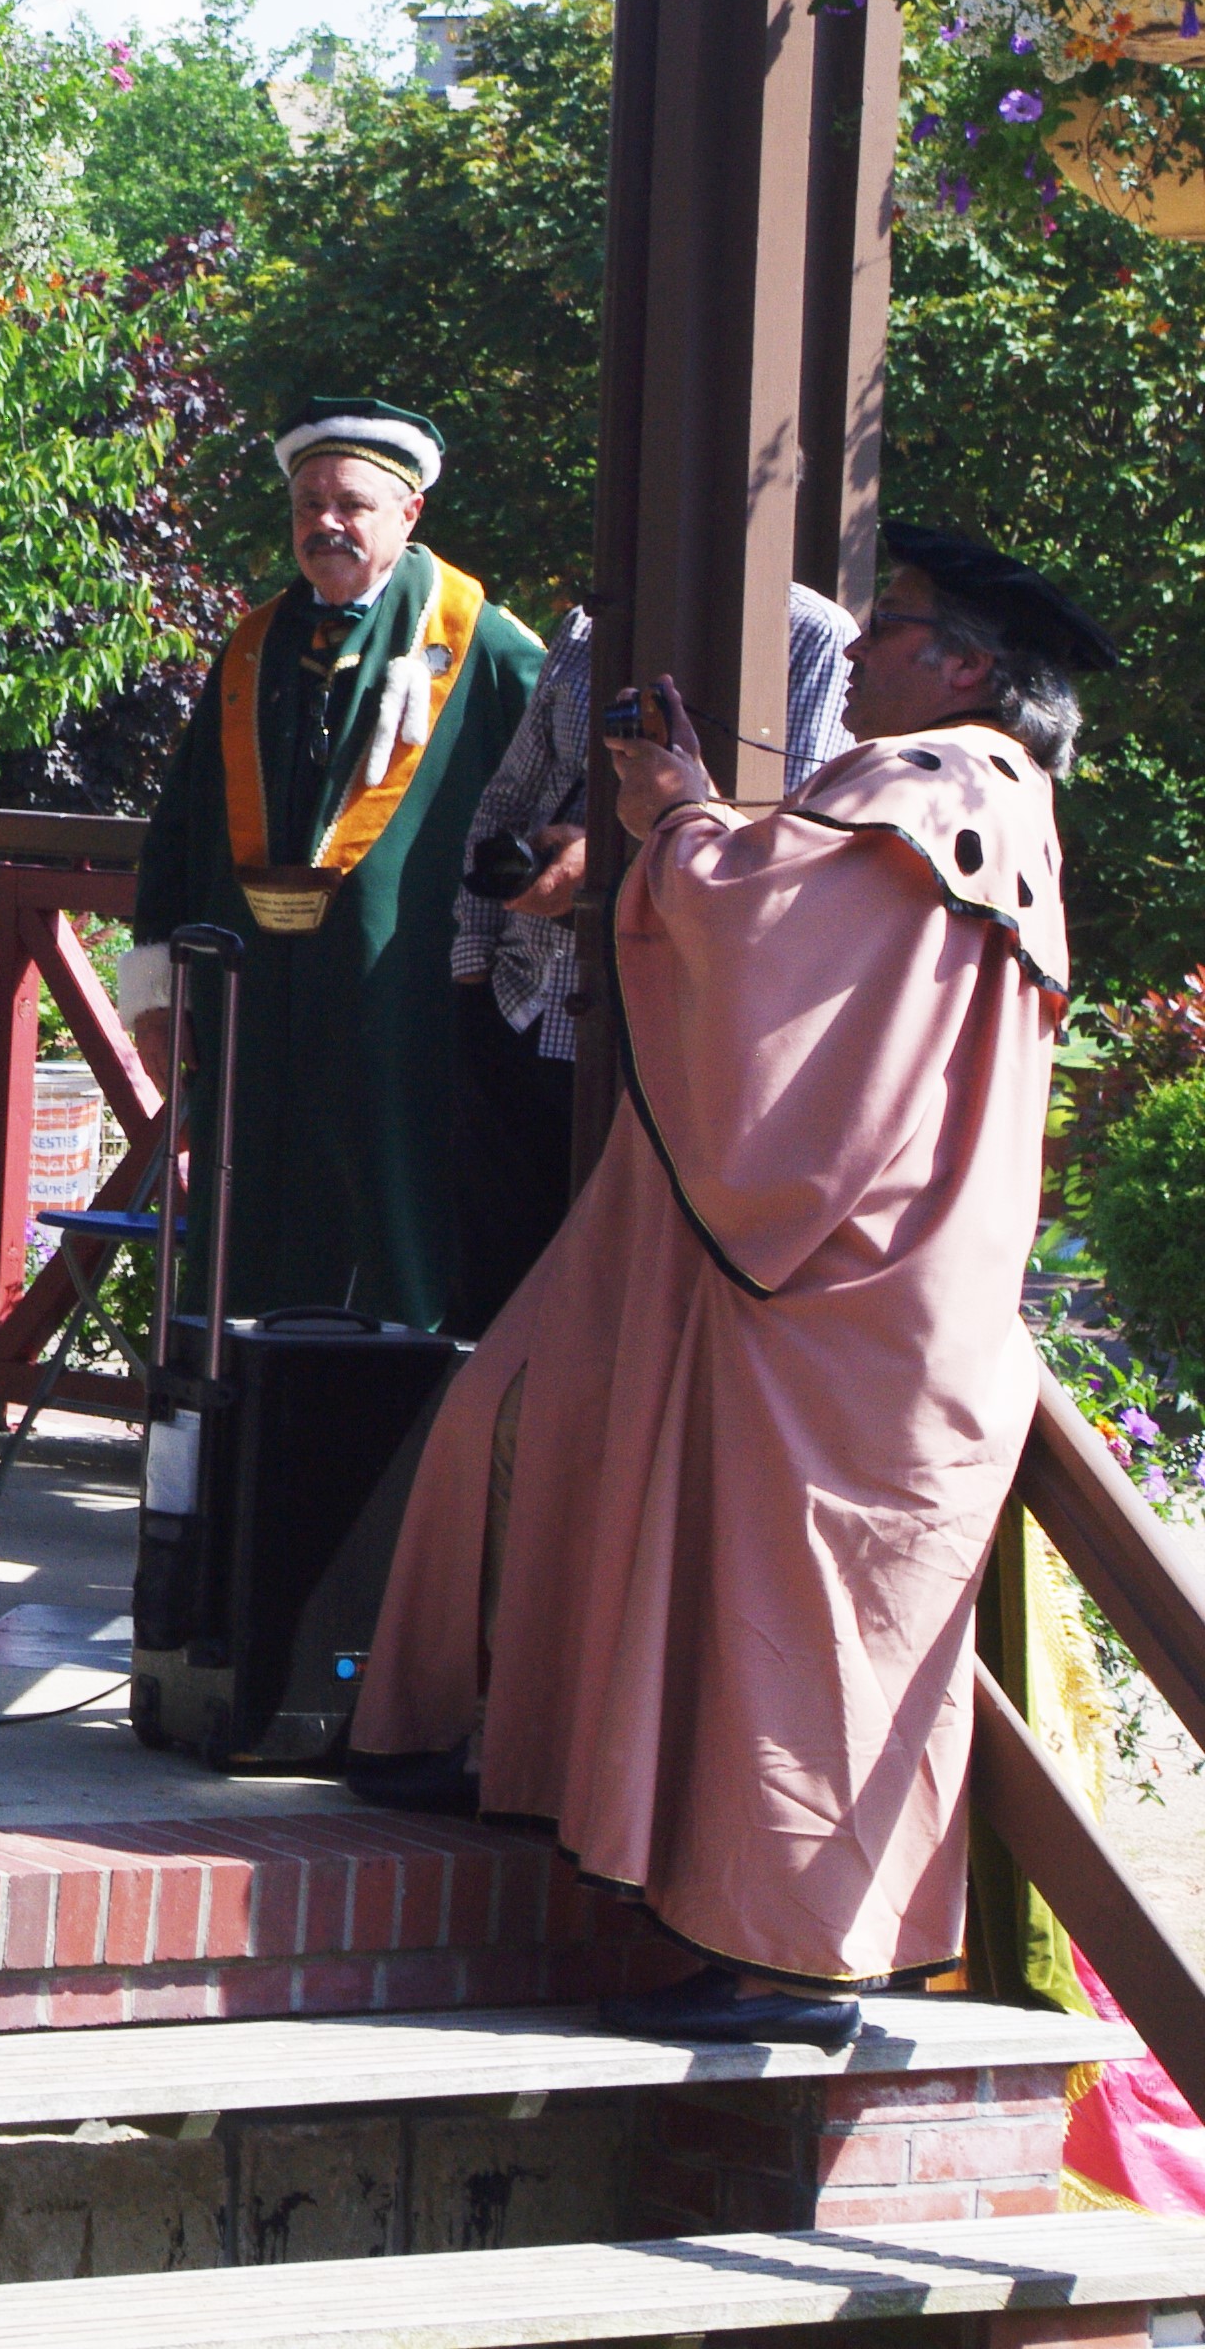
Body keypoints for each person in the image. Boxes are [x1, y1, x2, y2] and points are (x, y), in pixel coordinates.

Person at [349, 529, 1103, 2043]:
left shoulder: (942, 787)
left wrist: (682, 823)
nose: (867, 651)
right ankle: (596, 1818)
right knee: (634, 1491)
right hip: (872, 1290)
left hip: (848, 1298)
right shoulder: (979, 802)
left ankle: (792, 1958)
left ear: (966, 667)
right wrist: (706, 823)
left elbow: (780, 942)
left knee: (804, 1625)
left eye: (892, 631)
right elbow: (810, 921)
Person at [121, 400, 542, 1335]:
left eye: (351, 504)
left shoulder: (487, 647)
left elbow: (571, 792)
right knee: (247, 1209)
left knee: (392, 1210)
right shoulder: (251, 647)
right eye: (308, 504)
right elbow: (180, 826)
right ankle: (233, 1433)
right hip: (251, 993)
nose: (325, 524)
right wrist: (156, 989)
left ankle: (392, 1441)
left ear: (409, 514)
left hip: (409, 1001)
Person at [445, 586, 852, 1323]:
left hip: (655, 1043)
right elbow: (508, 798)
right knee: (495, 1306)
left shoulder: (811, 636)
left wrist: (608, 867)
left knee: (611, 1313)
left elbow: (794, 841)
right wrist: (472, 968)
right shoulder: (587, 624)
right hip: (519, 1009)